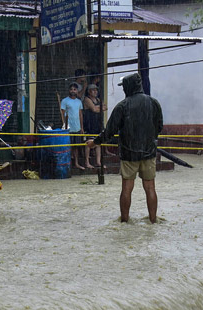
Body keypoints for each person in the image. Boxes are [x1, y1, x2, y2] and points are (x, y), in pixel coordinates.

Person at [86, 73, 163, 223]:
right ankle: (153, 221)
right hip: (149, 152)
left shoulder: (122, 106)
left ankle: (124, 222)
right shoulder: (154, 103)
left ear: (128, 87)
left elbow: (109, 131)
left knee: (127, 188)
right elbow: (159, 127)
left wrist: (95, 142)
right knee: (150, 188)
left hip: (129, 154)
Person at [60, 82, 85, 170]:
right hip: (68, 128)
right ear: (68, 91)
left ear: (77, 91)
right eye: (71, 89)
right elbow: (62, 114)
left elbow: (80, 115)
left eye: (74, 89)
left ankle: (76, 163)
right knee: (68, 146)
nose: (73, 91)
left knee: (76, 147)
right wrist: (64, 126)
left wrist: (82, 127)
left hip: (77, 127)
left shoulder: (79, 102)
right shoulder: (64, 101)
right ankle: (68, 164)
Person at [82, 83, 106, 168]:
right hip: (90, 123)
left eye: (96, 90)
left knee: (98, 142)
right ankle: (87, 162)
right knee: (89, 142)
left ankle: (98, 162)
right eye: (93, 90)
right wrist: (98, 108)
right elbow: (94, 109)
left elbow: (104, 108)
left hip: (98, 123)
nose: (95, 92)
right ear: (89, 91)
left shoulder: (98, 100)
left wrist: (97, 108)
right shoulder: (86, 99)